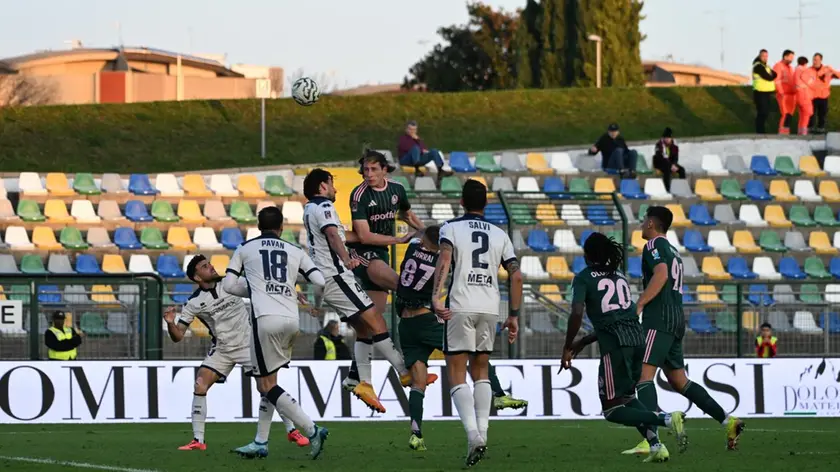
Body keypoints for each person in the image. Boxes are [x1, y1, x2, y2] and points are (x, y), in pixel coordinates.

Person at [303, 167, 435, 413]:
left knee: (364, 327)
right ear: (322, 186)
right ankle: (404, 372)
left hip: (329, 277)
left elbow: (341, 235)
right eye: (331, 184)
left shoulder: (310, 209)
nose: (335, 189)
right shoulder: (323, 207)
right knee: (375, 319)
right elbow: (333, 236)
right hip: (336, 275)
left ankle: (361, 381)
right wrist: (347, 259)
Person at [392, 225, 528, 452]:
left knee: (418, 381)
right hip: (427, 320)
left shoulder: (413, 248)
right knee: (473, 350)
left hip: (406, 324)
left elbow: (422, 234)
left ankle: (416, 434)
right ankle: (499, 394)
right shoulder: (441, 259)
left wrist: (415, 230)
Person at [623, 206, 744, 456]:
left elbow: (662, 274)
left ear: (651, 225)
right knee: (679, 381)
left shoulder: (653, 246)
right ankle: (728, 421)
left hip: (659, 319)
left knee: (643, 378)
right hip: (676, 319)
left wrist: (640, 303)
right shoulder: (674, 251)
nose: (642, 223)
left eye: (645, 219)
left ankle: (651, 440)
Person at [164, 255, 309, 454]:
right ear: (197, 278)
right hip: (222, 349)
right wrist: (171, 322)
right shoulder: (194, 302)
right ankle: (198, 439)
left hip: (248, 344)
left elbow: (265, 288)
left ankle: (292, 430)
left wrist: (291, 294)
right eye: (205, 267)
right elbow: (178, 336)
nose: (211, 267)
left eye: (210, 264)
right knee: (200, 384)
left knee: (267, 388)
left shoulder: (231, 283)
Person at [562, 232, 686, 463]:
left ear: (588, 255)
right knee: (628, 398)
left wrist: (568, 345)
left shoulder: (584, 277)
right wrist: (583, 342)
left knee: (612, 409)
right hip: (638, 340)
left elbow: (577, 312)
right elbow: (617, 317)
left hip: (616, 347)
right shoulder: (619, 276)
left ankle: (666, 419)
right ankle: (656, 446)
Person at [221, 206, 330, 460]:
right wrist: (317, 306)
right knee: (270, 382)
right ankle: (261, 441)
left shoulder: (245, 248)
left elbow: (228, 285)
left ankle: (312, 430)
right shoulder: (295, 250)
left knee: (265, 384)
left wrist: (256, 289)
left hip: (265, 320)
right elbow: (320, 282)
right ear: (281, 227)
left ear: (258, 226)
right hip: (292, 321)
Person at [431, 179, 522, 467]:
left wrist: (436, 297)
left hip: (461, 304)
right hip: (490, 307)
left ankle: (473, 435)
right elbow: (517, 276)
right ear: (486, 203)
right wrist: (514, 315)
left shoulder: (451, 228)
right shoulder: (500, 234)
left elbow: (444, 260)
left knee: (457, 371)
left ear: (461, 202)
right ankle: (483, 432)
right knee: (480, 370)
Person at [810, 53, 838, 133]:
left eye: (817, 60)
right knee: (811, 114)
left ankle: (821, 130)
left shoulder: (827, 70)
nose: (815, 61)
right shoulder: (809, 70)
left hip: (824, 96)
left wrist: (832, 70)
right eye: (814, 59)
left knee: (822, 115)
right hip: (812, 96)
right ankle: (810, 130)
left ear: (821, 60)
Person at [752, 49, 778, 134]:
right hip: (760, 92)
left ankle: (761, 131)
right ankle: (760, 131)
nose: (765, 58)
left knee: (765, 112)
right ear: (760, 56)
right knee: (762, 112)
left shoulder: (766, 66)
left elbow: (775, 74)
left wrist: (771, 75)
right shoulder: (758, 66)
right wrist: (771, 75)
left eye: (766, 56)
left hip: (766, 92)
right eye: (763, 56)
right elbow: (768, 77)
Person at [652, 127, 684, 192]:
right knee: (667, 169)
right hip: (660, 163)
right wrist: (671, 165)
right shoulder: (659, 145)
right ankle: (667, 190)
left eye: (668, 138)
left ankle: (682, 187)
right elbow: (660, 157)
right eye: (665, 138)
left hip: (671, 163)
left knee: (682, 170)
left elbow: (675, 157)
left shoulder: (674, 145)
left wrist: (674, 164)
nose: (667, 140)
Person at [772, 50, 796, 134]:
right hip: (783, 94)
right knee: (785, 114)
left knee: (790, 114)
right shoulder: (778, 66)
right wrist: (781, 92)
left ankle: (786, 131)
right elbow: (776, 80)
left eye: (793, 58)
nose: (792, 60)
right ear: (785, 57)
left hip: (792, 95)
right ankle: (782, 132)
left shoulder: (791, 68)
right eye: (790, 57)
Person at [794, 56, 816, 136]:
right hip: (804, 95)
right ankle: (803, 132)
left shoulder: (796, 70)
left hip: (799, 95)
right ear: (805, 63)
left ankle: (800, 131)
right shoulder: (803, 70)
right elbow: (808, 81)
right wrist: (812, 78)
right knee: (808, 112)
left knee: (802, 114)